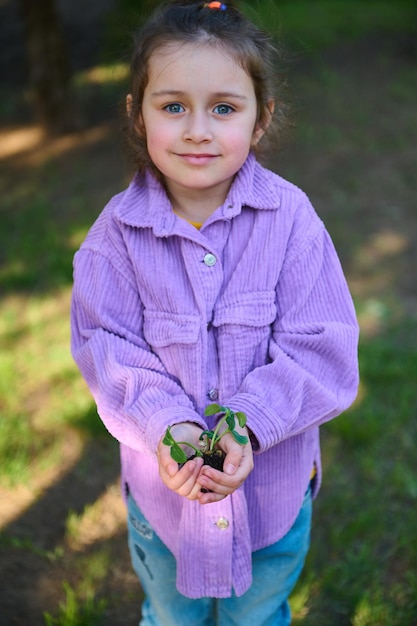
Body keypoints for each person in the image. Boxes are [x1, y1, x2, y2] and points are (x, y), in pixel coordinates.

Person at [70, 1, 359, 624]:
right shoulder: (114, 238)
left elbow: (323, 346)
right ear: (135, 113)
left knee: (258, 615)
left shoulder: (292, 222)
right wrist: (171, 427)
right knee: (171, 615)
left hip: (271, 499)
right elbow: (108, 350)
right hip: (164, 509)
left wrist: (246, 423)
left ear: (261, 120)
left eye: (224, 108)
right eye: (173, 106)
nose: (197, 129)